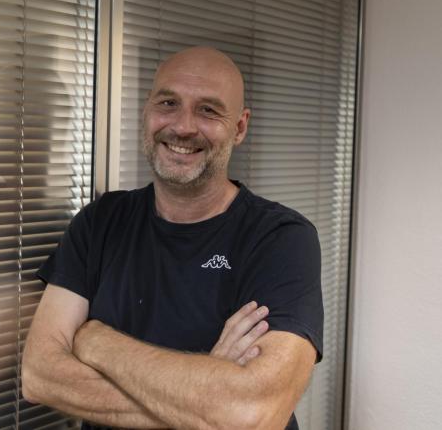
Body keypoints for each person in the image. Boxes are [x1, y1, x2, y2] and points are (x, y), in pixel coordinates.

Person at [22, 47, 323, 429]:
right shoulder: (101, 222)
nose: (183, 127)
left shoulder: (280, 240)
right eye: (168, 103)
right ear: (147, 110)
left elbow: (252, 415)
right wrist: (207, 402)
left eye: (208, 110)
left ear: (240, 127)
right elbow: (40, 376)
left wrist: (95, 341)